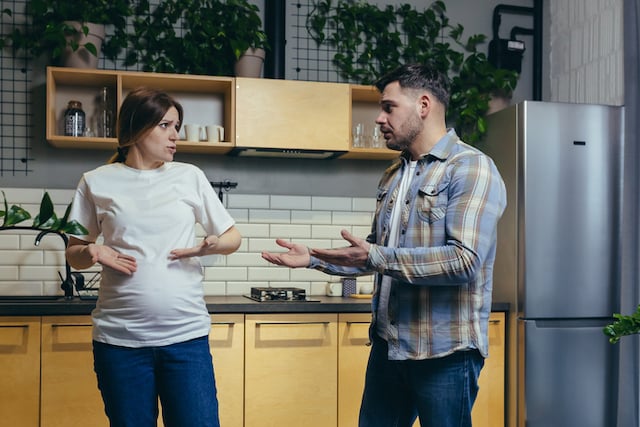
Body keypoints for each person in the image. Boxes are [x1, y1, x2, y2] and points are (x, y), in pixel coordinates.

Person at [261, 63, 507, 427]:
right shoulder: (394, 173)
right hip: (389, 346)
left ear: (424, 105)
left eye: (388, 107)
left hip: (445, 353)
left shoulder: (470, 168)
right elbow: (375, 254)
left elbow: (464, 261)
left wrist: (376, 254)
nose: (379, 118)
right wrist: (314, 257)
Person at [65, 87, 241, 427]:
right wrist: (92, 250)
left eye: (177, 126)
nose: (175, 136)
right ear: (136, 128)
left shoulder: (189, 176)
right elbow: (74, 253)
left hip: (186, 340)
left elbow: (232, 237)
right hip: (120, 343)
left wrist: (211, 245)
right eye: (165, 126)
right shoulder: (95, 182)